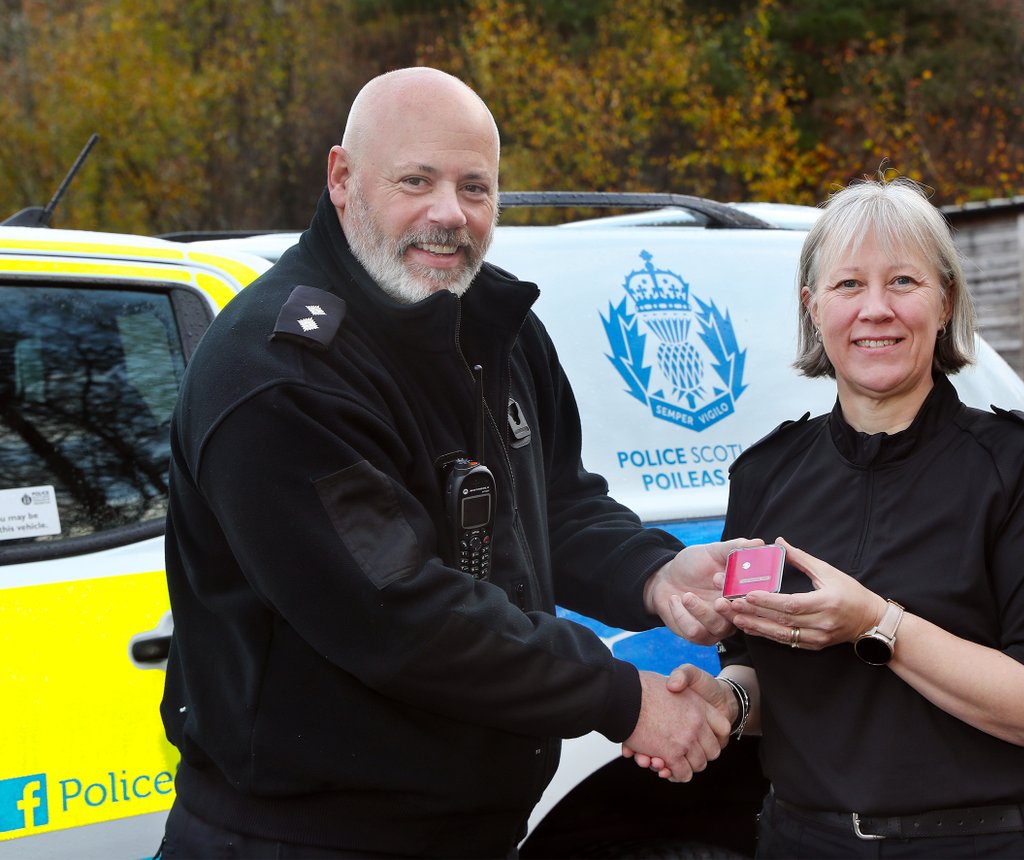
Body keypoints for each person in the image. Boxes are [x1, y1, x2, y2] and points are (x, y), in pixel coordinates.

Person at [156, 66, 743, 860]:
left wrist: (653, 575)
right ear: (342, 178)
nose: (449, 214)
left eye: (476, 187)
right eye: (416, 180)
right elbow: (400, 613)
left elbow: (557, 506)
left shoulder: (495, 326)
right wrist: (616, 695)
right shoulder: (277, 371)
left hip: (470, 831)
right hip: (304, 840)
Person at [642, 175, 1024, 858]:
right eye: (849, 285)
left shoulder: (1020, 469)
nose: (876, 309)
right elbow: (756, 670)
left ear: (944, 301)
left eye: (904, 283)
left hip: (984, 844)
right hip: (803, 840)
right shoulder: (766, 476)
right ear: (814, 307)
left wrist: (877, 624)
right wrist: (728, 703)